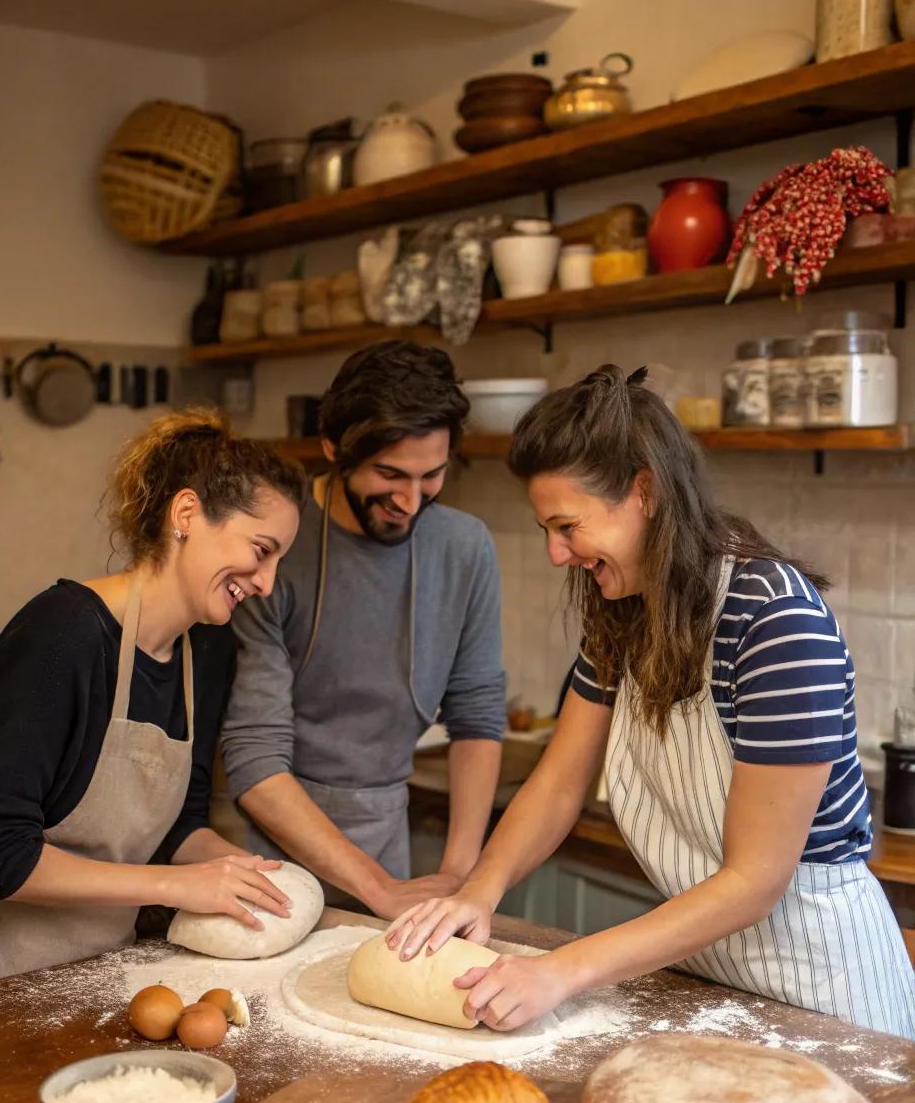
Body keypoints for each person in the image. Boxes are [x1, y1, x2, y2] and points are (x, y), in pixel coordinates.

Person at [389, 365, 915, 1040]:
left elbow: (755, 881)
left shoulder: (773, 621)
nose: (555, 553)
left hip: (823, 997)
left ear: (644, 493)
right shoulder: (626, 614)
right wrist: (477, 893)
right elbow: (556, 786)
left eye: (567, 525)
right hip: (709, 974)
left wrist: (561, 970)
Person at [0, 408, 306, 998]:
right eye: (260, 550)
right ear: (187, 514)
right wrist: (175, 887)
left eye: (279, 562)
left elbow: (176, 825)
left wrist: (249, 878)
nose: (267, 583)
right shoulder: (63, 634)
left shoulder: (208, 650)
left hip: (94, 978)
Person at [221, 341, 506, 920]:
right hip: (264, 848)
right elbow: (254, 757)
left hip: (385, 840)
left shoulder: (465, 547)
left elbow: (476, 714)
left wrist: (458, 873)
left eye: (433, 475)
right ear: (334, 449)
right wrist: (378, 889)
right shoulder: (277, 547)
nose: (410, 499)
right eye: (389, 474)